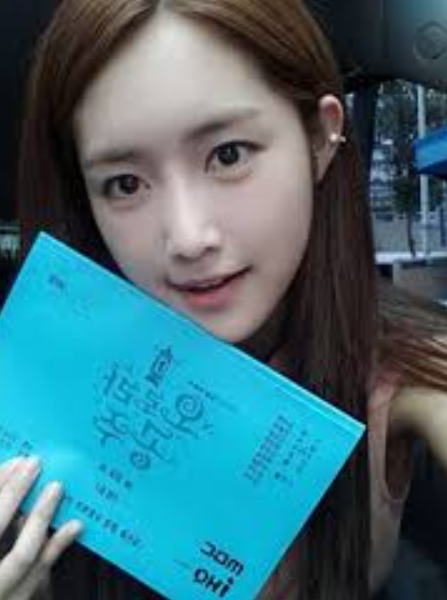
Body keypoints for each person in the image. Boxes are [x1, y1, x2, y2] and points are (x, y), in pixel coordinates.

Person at [1, 0, 447, 598]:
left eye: (228, 155)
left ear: (320, 137)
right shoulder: (30, 403)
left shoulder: (405, 373)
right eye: (125, 184)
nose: (189, 238)